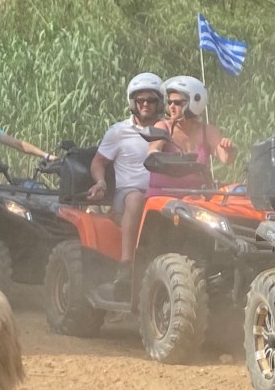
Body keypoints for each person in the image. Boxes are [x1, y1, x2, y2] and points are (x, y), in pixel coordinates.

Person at [87, 72, 163, 295]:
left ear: (159, 103)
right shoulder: (118, 131)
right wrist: (100, 182)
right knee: (136, 198)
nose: (146, 104)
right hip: (127, 194)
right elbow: (98, 162)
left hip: (160, 195)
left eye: (151, 100)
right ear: (133, 102)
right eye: (141, 100)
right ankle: (126, 266)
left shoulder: (166, 130)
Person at [146, 75, 237, 196]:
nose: (171, 107)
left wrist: (229, 149)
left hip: (196, 196)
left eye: (177, 103)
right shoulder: (163, 126)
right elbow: (154, 149)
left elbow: (226, 159)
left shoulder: (208, 131)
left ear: (195, 103)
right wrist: (156, 154)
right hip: (163, 195)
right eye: (169, 102)